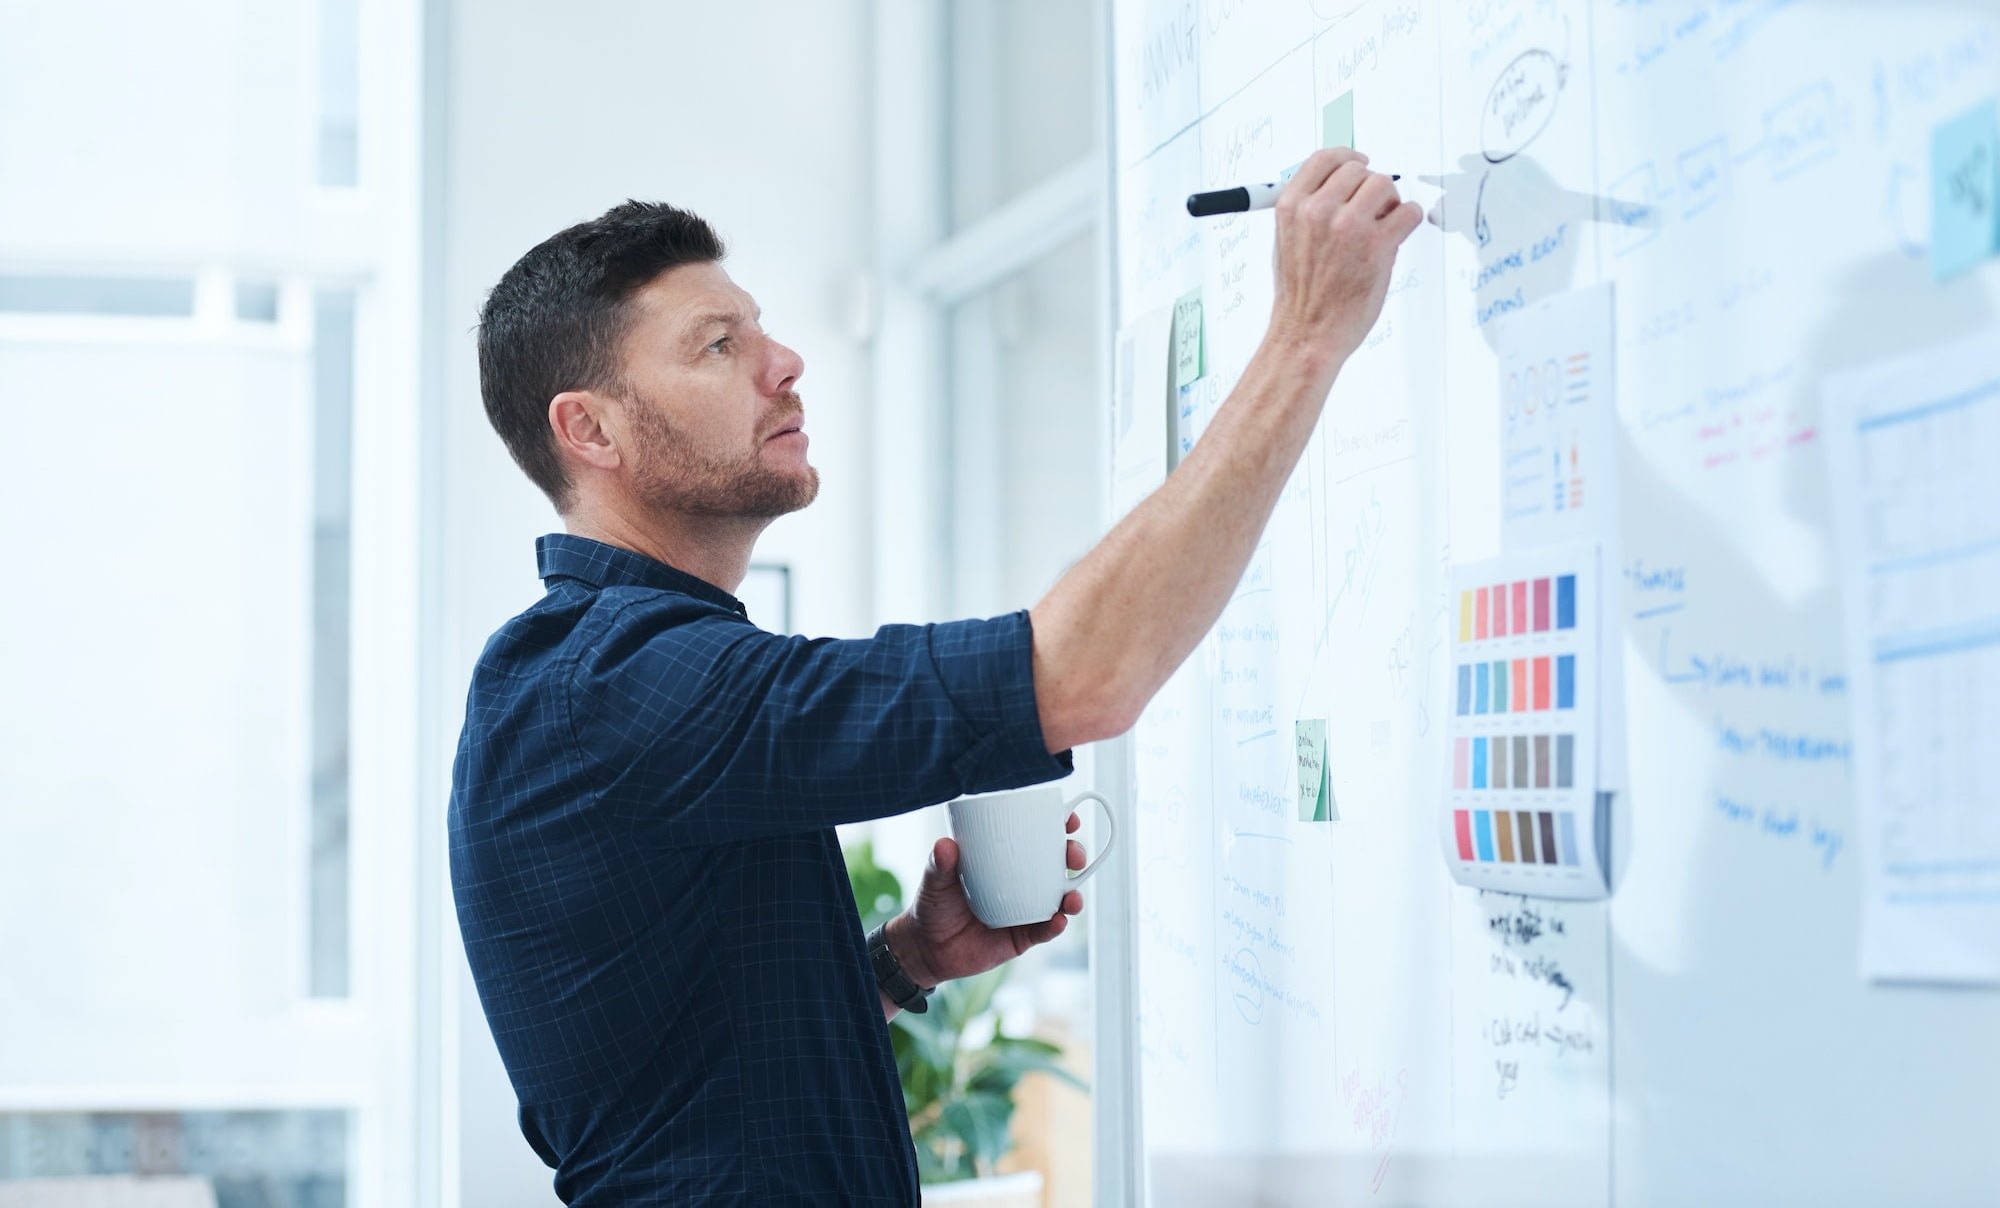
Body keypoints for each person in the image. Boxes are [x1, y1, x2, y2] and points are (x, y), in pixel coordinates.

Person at [450, 147, 1420, 1204]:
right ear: (587, 428)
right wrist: (1305, 337)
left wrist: (900, 962)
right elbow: (1080, 676)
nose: (782, 364)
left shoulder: (619, 670)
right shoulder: (615, 681)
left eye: (759, 329)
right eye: (718, 347)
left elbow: (675, 1074)